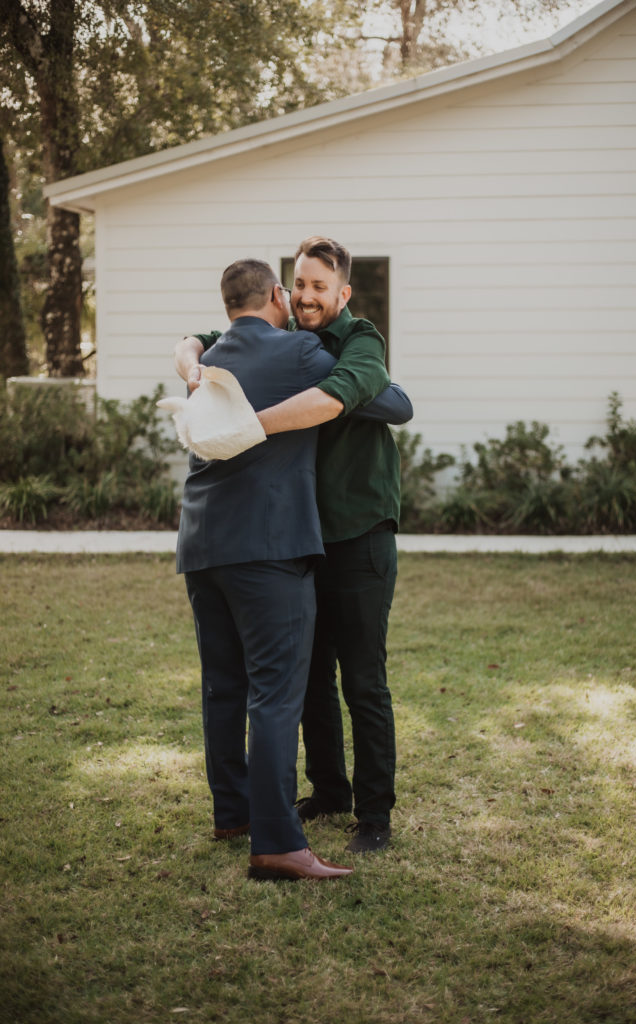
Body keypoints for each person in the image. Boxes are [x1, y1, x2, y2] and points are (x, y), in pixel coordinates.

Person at [176, 237, 409, 855]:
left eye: (320, 288)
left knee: (363, 680)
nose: (307, 296)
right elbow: (202, 336)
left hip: (358, 533)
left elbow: (388, 400)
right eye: (299, 284)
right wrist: (193, 362)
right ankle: (329, 790)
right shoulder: (284, 341)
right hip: (300, 540)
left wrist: (247, 422)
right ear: (284, 289)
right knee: (307, 680)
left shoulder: (359, 341)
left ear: (343, 293)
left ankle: (374, 813)